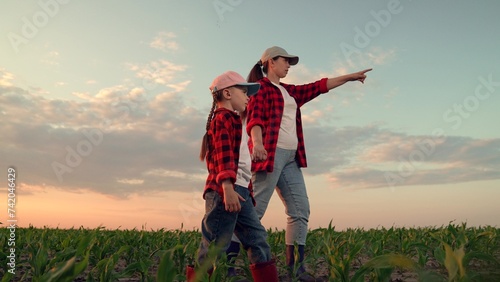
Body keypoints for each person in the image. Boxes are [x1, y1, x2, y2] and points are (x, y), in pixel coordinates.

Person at [227, 46, 372, 281]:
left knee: (300, 210)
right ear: (270, 62)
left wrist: (349, 77)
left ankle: (297, 270)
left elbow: (318, 87)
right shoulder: (261, 89)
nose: (289, 66)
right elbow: (254, 118)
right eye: (286, 61)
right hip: (270, 156)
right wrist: (258, 143)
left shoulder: (289, 92)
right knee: (253, 211)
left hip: (291, 159)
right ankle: (227, 266)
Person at [186, 71, 279, 282]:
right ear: (227, 93)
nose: (248, 96)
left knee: (257, 238)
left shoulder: (234, 120)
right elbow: (223, 155)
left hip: (240, 191)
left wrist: (242, 188)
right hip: (225, 192)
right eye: (244, 91)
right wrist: (227, 187)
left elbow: (240, 163)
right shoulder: (223, 118)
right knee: (215, 244)